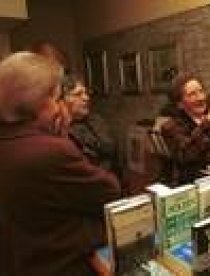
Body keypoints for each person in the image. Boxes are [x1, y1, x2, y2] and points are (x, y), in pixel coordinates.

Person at [0, 52, 121, 275]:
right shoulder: (50, 150)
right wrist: (61, 136)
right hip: (61, 264)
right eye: (56, 99)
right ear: (36, 102)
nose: (59, 108)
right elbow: (110, 191)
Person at [160, 72, 210, 186]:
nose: (201, 97)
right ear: (180, 104)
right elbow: (186, 154)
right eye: (192, 94)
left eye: (201, 91)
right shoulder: (171, 126)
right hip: (194, 189)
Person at [61, 74, 120, 178]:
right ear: (63, 99)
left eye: (86, 93)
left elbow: (112, 152)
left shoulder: (96, 120)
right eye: (78, 94)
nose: (86, 98)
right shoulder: (59, 128)